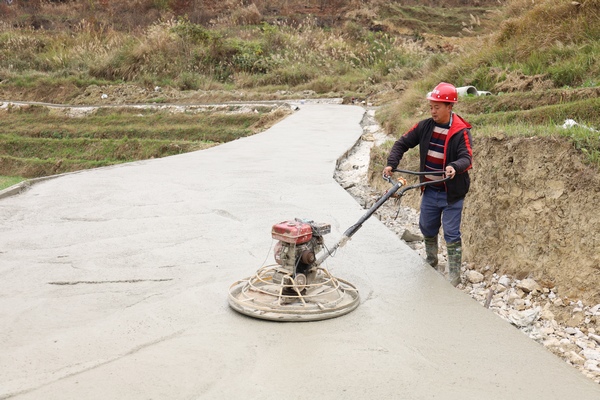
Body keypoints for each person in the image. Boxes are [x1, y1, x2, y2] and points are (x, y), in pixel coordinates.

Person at [382, 82, 473, 286]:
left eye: (437, 107)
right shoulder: (424, 126)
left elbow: (467, 157)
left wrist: (454, 167)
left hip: (452, 193)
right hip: (430, 189)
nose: (433, 111)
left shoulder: (461, 131)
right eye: (431, 106)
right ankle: (431, 261)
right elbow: (402, 143)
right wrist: (391, 164)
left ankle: (454, 275)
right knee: (426, 227)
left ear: (449, 107)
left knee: (451, 232)